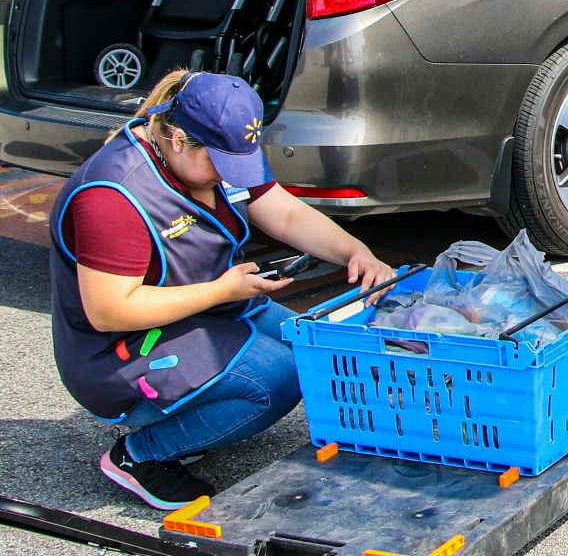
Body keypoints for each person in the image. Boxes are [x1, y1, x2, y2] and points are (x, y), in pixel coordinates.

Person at [46, 69, 394, 510]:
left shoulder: (216, 148)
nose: (230, 173)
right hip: (116, 350)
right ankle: (139, 456)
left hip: (204, 306)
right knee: (278, 378)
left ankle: (196, 417)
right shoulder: (113, 195)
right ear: (177, 140)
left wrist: (354, 251)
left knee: (313, 350)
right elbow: (110, 311)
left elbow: (281, 212)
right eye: (221, 162)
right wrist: (221, 291)